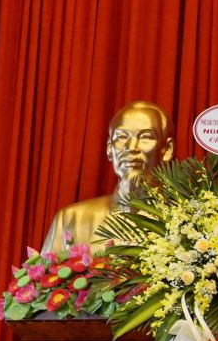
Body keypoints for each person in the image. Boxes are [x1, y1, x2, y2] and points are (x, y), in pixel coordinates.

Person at [41, 101, 174, 251]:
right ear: (109, 148)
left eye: (145, 137)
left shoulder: (185, 221)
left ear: (167, 149)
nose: (131, 147)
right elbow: (46, 266)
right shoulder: (71, 219)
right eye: (121, 137)